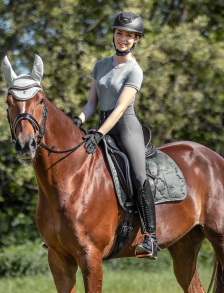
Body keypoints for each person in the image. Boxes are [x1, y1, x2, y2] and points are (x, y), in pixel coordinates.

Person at [72, 12, 158, 260]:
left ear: (136, 40)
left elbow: (120, 108)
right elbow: (92, 103)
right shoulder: (100, 65)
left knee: (140, 175)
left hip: (125, 128)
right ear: (113, 34)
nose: (123, 38)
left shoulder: (134, 70)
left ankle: (150, 237)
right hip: (101, 125)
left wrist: (99, 132)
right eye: (119, 33)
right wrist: (79, 119)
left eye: (129, 35)